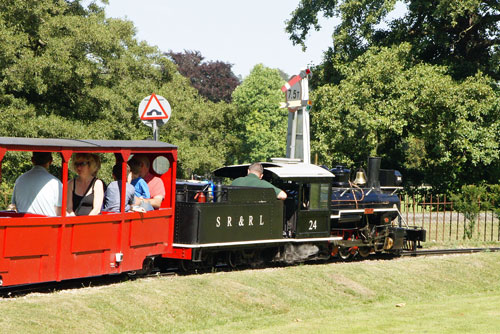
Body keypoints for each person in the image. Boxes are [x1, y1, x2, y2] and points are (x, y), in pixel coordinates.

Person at [9, 152, 63, 216]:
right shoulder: (55, 183)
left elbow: (14, 205)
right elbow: (59, 211)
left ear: (32, 160)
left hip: (22, 224)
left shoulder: (20, 180)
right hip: (47, 224)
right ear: (51, 160)